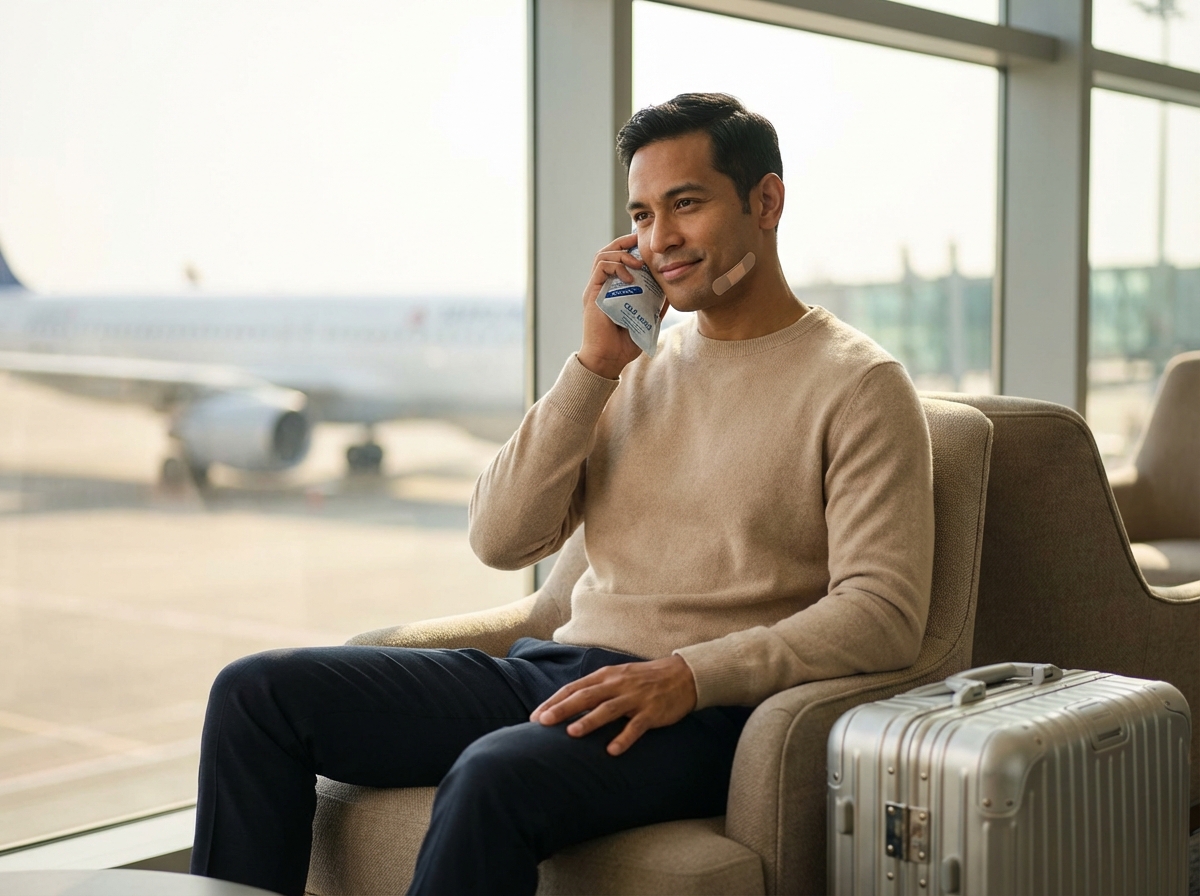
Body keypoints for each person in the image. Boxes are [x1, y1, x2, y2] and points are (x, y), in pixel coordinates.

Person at [190, 92, 934, 896]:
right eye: (643, 216)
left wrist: (688, 674)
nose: (660, 241)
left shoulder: (859, 384)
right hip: (556, 674)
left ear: (766, 201)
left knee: (493, 775)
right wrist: (593, 367)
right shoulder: (630, 366)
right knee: (256, 695)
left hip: (702, 713)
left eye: (686, 205)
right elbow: (499, 541)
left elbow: (883, 612)